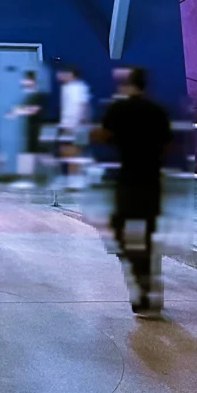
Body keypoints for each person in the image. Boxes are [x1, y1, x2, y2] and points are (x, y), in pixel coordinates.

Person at [100, 66, 173, 315]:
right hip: (151, 181)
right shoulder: (157, 110)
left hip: (128, 181)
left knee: (125, 236)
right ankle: (150, 293)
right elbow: (167, 144)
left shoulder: (118, 109)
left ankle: (140, 292)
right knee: (148, 237)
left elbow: (102, 136)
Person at [55, 65, 92, 191]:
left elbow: (83, 107)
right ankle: (72, 180)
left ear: (71, 74)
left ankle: (77, 181)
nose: (60, 76)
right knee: (66, 152)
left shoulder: (79, 88)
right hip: (67, 124)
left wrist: (76, 125)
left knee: (74, 152)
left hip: (76, 125)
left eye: (63, 73)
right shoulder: (66, 88)